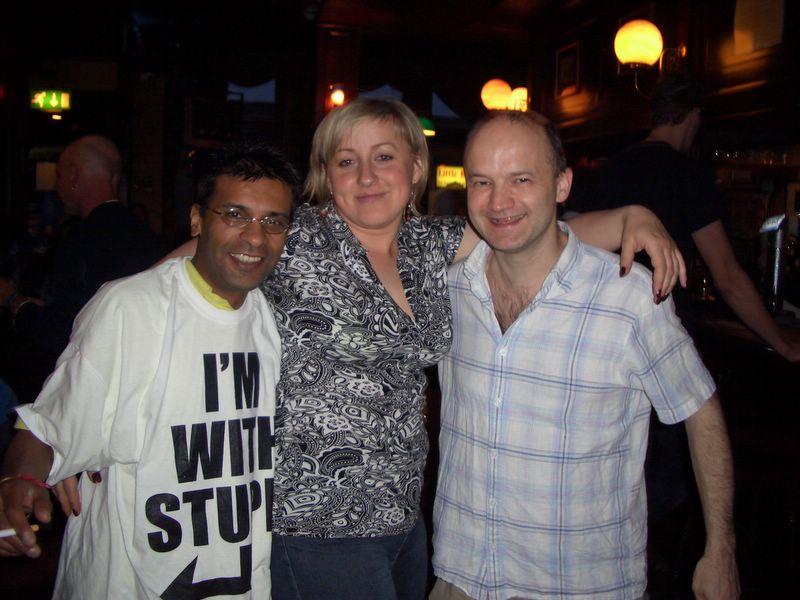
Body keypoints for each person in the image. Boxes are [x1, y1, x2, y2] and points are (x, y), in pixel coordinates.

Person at [142, 98, 683, 600]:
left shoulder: (431, 243)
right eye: (347, 161)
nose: (367, 176)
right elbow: (166, 284)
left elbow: (539, 233)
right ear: (326, 174)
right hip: (315, 521)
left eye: (384, 157)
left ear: (416, 168)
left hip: (405, 516)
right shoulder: (294, 237)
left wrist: (630, 218)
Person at [431, 110, 740, 600]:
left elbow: (700, 409)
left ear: (562, 185)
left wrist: (720, 548)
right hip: (462, 580)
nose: (498, 202)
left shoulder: (627, 297)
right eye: (482, 182)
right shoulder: (448, 288)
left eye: (521, 179)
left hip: (578, 586)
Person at [0, 142, 298, 599]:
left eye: (273, 221)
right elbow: (50, 424)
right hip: (126, 582)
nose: (255, 237)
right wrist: (18, 482)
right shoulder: (131, 307)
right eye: (235, 215)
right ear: (197, 220)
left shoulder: (273, 321)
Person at [597, 73, 800, 359]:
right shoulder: (689, 174)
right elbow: (727, 276)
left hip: (607, 329)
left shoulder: (611, 169)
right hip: (662, 336)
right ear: (694, 115)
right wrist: (783, 345)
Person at [0, 135, 164, 400]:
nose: (57, 185)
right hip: (139, 381)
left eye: (59, 175)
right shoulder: (149, 236)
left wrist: (14, 301)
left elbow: (62, 332)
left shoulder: (80, 240)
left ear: (74, 176)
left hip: (91, 389)